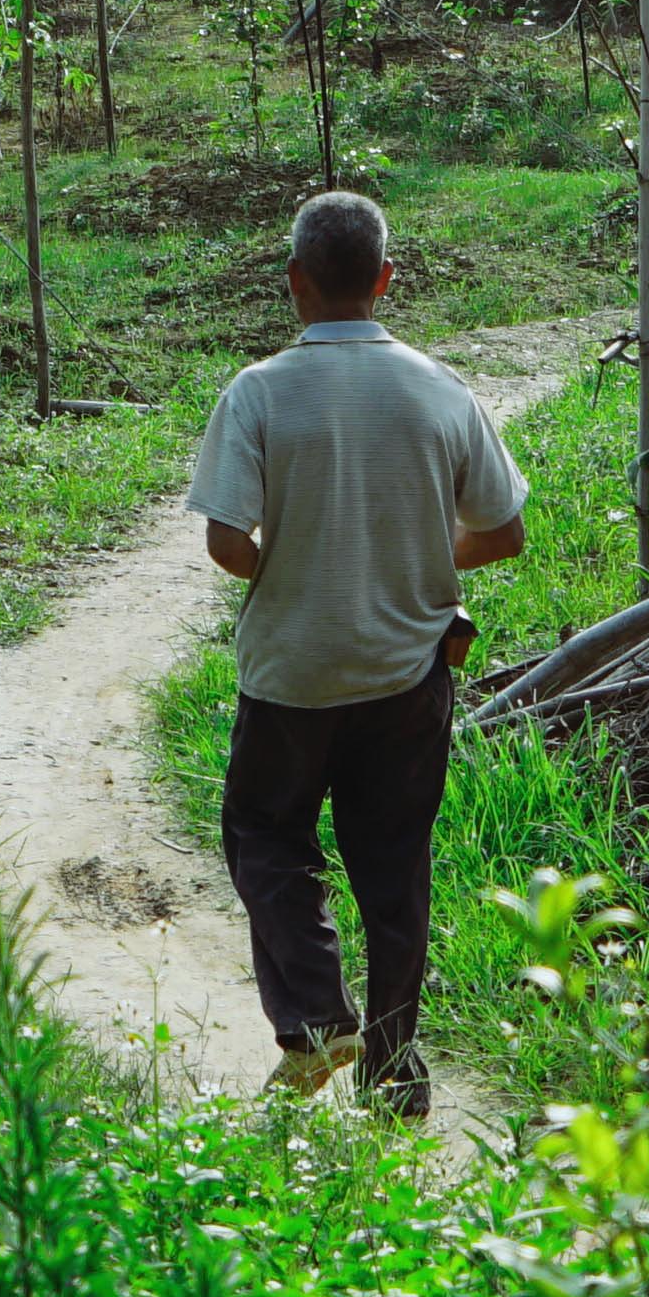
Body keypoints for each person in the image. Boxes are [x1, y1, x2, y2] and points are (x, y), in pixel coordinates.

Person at [190, 186, 527, 1112]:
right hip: (405, 672)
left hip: (291, 670)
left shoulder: (258, 392)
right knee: (391, 863)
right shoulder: (438, 389)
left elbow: (225, 541)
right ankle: (393, 1068)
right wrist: (413, 554)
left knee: (266, 834)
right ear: (386, 278)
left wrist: (279, 565)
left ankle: (311, 1016)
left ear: (295, 283)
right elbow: (503, 531)